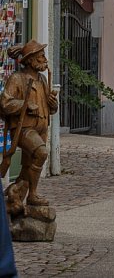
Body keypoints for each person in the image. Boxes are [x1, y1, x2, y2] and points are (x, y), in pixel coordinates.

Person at [0, 40, 59, 212]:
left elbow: (52, 109)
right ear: (31, 59)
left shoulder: (42, 79)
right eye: (40, 56)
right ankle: (32, 194)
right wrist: (25, 105)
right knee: (41, 153)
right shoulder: (17, 79)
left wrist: (53, 103)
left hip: (41, 128)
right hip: (24, 129)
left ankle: (15, 195)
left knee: (28, 166)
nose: (43, 59)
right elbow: (4, 103)